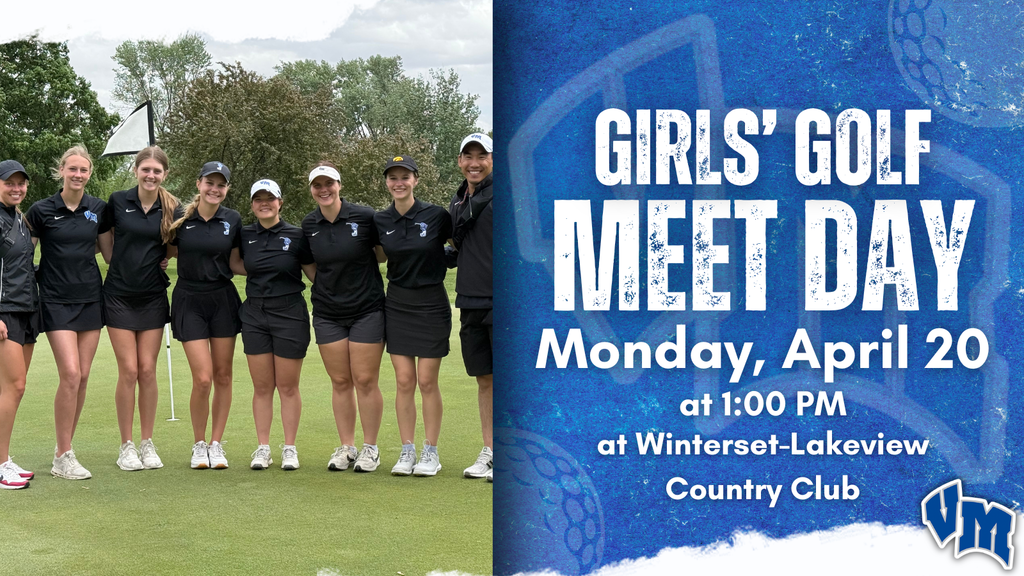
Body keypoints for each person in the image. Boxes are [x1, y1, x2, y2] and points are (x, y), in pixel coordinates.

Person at [26, 146, 107, 480]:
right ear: (61, 171)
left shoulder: (98, 209)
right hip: (56, 300)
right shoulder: (41, 210)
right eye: (72, 169)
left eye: (84, 170)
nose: (78, 175)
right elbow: (22, 254)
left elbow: (113, 252)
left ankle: (63, 450)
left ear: (89, 174)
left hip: (90, 298)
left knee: (83, 376)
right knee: (71, 374)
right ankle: (64, 455)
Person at [98, 146, 180, 471]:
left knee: (147, 370)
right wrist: (112, 259)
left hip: (152, 298)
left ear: (164, 174)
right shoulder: (118, 201)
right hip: (118, 295)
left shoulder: (172, 207)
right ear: (136, 170)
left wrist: (163, 259)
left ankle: (147, 442)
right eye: (145, 169)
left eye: (157, 171)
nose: (150, 175)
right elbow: (105, 240)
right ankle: (126, 445)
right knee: (129, 371)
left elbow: (172, 248)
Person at [302, 163, 385, 472]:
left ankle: (370, 448)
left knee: (364, 379)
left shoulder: (364, 217)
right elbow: (310, 267)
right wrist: (327, 287)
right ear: (311, 189)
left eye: (329, 184)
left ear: (339, 185)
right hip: (327, 313)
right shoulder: (309, 224)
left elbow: (381, 254)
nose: (324, 190)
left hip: (367, 309)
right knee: (340, 381)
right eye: (317, 185)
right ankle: (347, 446)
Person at [374, 155, 453, 476]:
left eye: (404, 176)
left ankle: (430, 452)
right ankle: (407, 451)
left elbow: (461, 247)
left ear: (415, 180)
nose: (398, 182)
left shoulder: (436, 215)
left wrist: (443, 262)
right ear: (387, 183)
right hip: (398, 303)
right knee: (404, 381)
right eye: (393, 177)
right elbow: (372, 255)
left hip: (432, 303)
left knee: (426, 380)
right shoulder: (380, 221)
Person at [167, 162, 243, 469]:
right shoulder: (180, 218)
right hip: (189, 300)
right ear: (199, 184)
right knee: (202, 378)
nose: (215, 189)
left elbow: (237, 261)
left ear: (226, 189)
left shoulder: (233, 220)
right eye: (209, 183)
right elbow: (167, 251)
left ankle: (216, 444)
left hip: (223, 299)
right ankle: (199, 444)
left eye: (221, 185)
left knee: (223, 375)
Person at [235, 179, 314, 471]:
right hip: (255, 314)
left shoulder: (297, 235)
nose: (264, 203)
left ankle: (290, 448)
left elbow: (314, 272)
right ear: (253, 204)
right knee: (262, 386)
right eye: (258, 199)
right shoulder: (243, 235)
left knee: (288, 386)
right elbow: (234, 264)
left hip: (290, 313)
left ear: (280, 202)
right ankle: (263, 448)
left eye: (270, 198)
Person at [448, 134, 495, 482]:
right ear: (460, 161)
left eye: (482, 155)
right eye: (468, 156)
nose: (474, 162)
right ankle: (491, 451)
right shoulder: (458, 200)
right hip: (470, 300)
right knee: (484, 379)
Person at [0, 160, 38, 489]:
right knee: (13, 386)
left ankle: (4, 458)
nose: (16, 188)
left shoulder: (20, 220)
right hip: (5, 311)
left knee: (14, 387)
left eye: (21, 183)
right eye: (9, 183)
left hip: (25, 309)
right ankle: (0, 465)